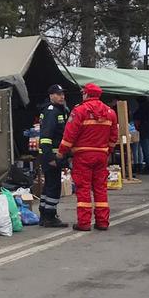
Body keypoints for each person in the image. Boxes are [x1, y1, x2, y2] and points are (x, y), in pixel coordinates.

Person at [56, 82, 118, 232]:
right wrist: (107, 151)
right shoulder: (110, 112)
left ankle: (84, 223)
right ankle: (102, 222)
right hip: (101, 156)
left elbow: (70, 134)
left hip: (83, 156)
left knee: (83, 189)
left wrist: (62, 151)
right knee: (100, 189)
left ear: (86, 94)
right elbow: (113, 136)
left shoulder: (79, 111)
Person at [36, 84, 69, 229]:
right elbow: (46, 137)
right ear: (51, 96)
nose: (61, 96)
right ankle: (50, 216)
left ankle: (44, 213)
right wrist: (51, 158)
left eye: (62, 94)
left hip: (51, 154)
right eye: (58, 94)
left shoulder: (57, 110)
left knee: (48, 185)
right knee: (54, 186)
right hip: (52, 156)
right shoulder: (52, 111)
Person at [132, 97, 149, 176]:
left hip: (144, 131)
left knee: (146, 150)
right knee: (148, 150)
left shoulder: (141, 109)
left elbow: (136, 116)